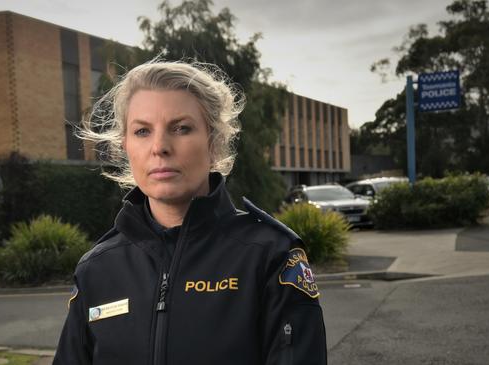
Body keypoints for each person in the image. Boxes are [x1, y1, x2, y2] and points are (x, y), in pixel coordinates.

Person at [53, 59, 327, 365]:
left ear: (214, 142)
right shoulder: (96, 270)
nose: (159, 147)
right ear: (125, 147)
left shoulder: (270, 256)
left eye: (181, 128)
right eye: (142, 131)